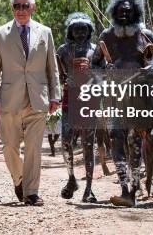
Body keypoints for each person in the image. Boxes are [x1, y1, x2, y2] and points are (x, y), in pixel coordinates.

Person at [0, 0, 61, 206]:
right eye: (16, 6)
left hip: (38, 98)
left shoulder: (45, 32)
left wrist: (55, 96)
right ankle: (19, 178)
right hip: (10, 98)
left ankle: (31, 192)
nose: (21, 10)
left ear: (33, 7)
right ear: (12, 8)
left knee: (33, 148)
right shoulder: (0, 34)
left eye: (25, 6)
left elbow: (52, 68)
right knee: (9, 146)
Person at [91, 0, 153, 207]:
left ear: (136, 12)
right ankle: (124, 187)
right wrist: (105, 74)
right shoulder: (107, 36)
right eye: (120, 10)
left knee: (135, 140)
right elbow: (94, 65)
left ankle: (133, 188)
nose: (124, 13)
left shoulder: (145, 34)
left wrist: (148, 71)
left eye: (128, 10)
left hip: (139, 97)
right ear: (114, 12)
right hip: (114, 96)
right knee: (116, 139)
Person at [57, 12, 98, 203]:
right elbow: (56, 76)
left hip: (90, 99)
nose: (80, 33)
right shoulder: (63, 51)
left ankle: (89, 188)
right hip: (69, 98)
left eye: (84, 29)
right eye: (76, 29)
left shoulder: (96, 50)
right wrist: (63, 82)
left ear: (89, 30)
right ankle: (71, 178)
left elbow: (104, 74)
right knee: (66, 140)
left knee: (88, 144)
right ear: (71, 31)